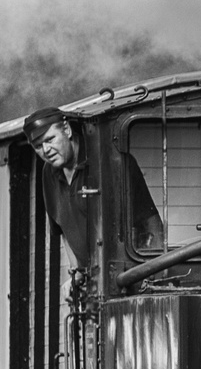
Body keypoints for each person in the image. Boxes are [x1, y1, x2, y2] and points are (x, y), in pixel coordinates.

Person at [24, 107, 164, 264]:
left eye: (50, 140)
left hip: (126, 273)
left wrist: (155, 270)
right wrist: (75, 272)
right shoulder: (48, 173)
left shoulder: (112, 163)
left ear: (67, 130)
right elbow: (62, 230)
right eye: (38, 146)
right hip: (88, 280)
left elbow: (151, 222)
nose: (46, 150)